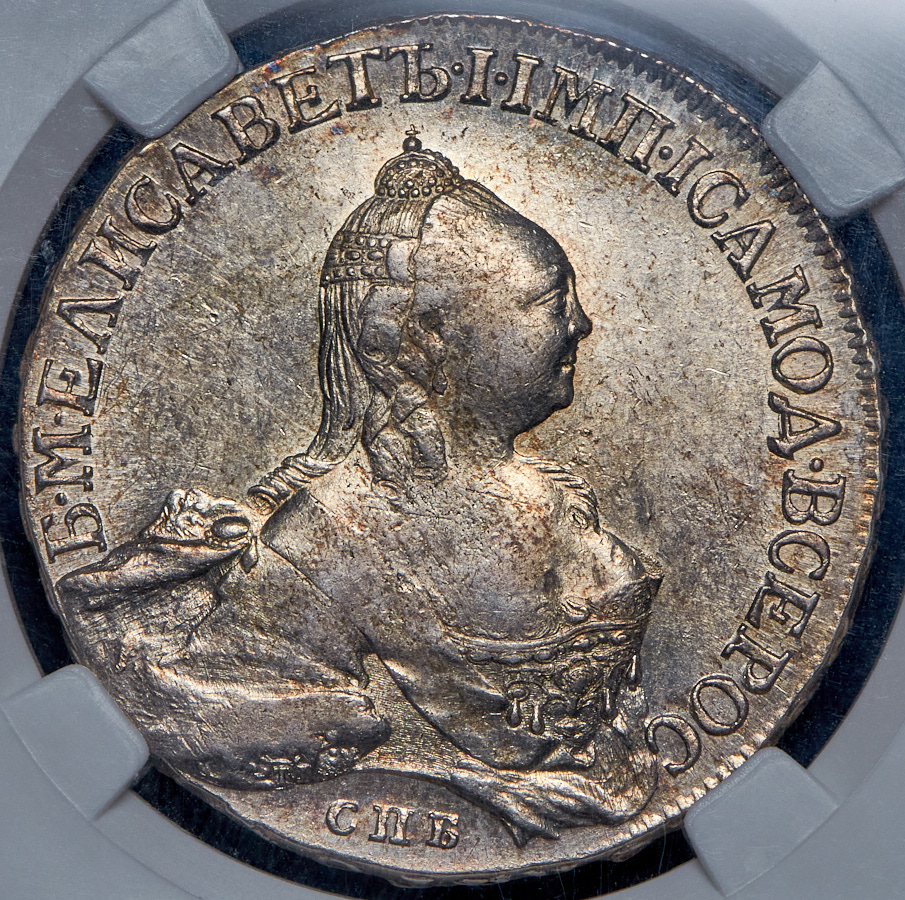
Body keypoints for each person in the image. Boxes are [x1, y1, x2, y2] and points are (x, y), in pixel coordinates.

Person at [58, 133, 662, 842]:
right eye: (550, 301)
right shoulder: (316, 553)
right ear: (424, 340)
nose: (580, 324)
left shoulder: (555, 496)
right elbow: (258, 727)